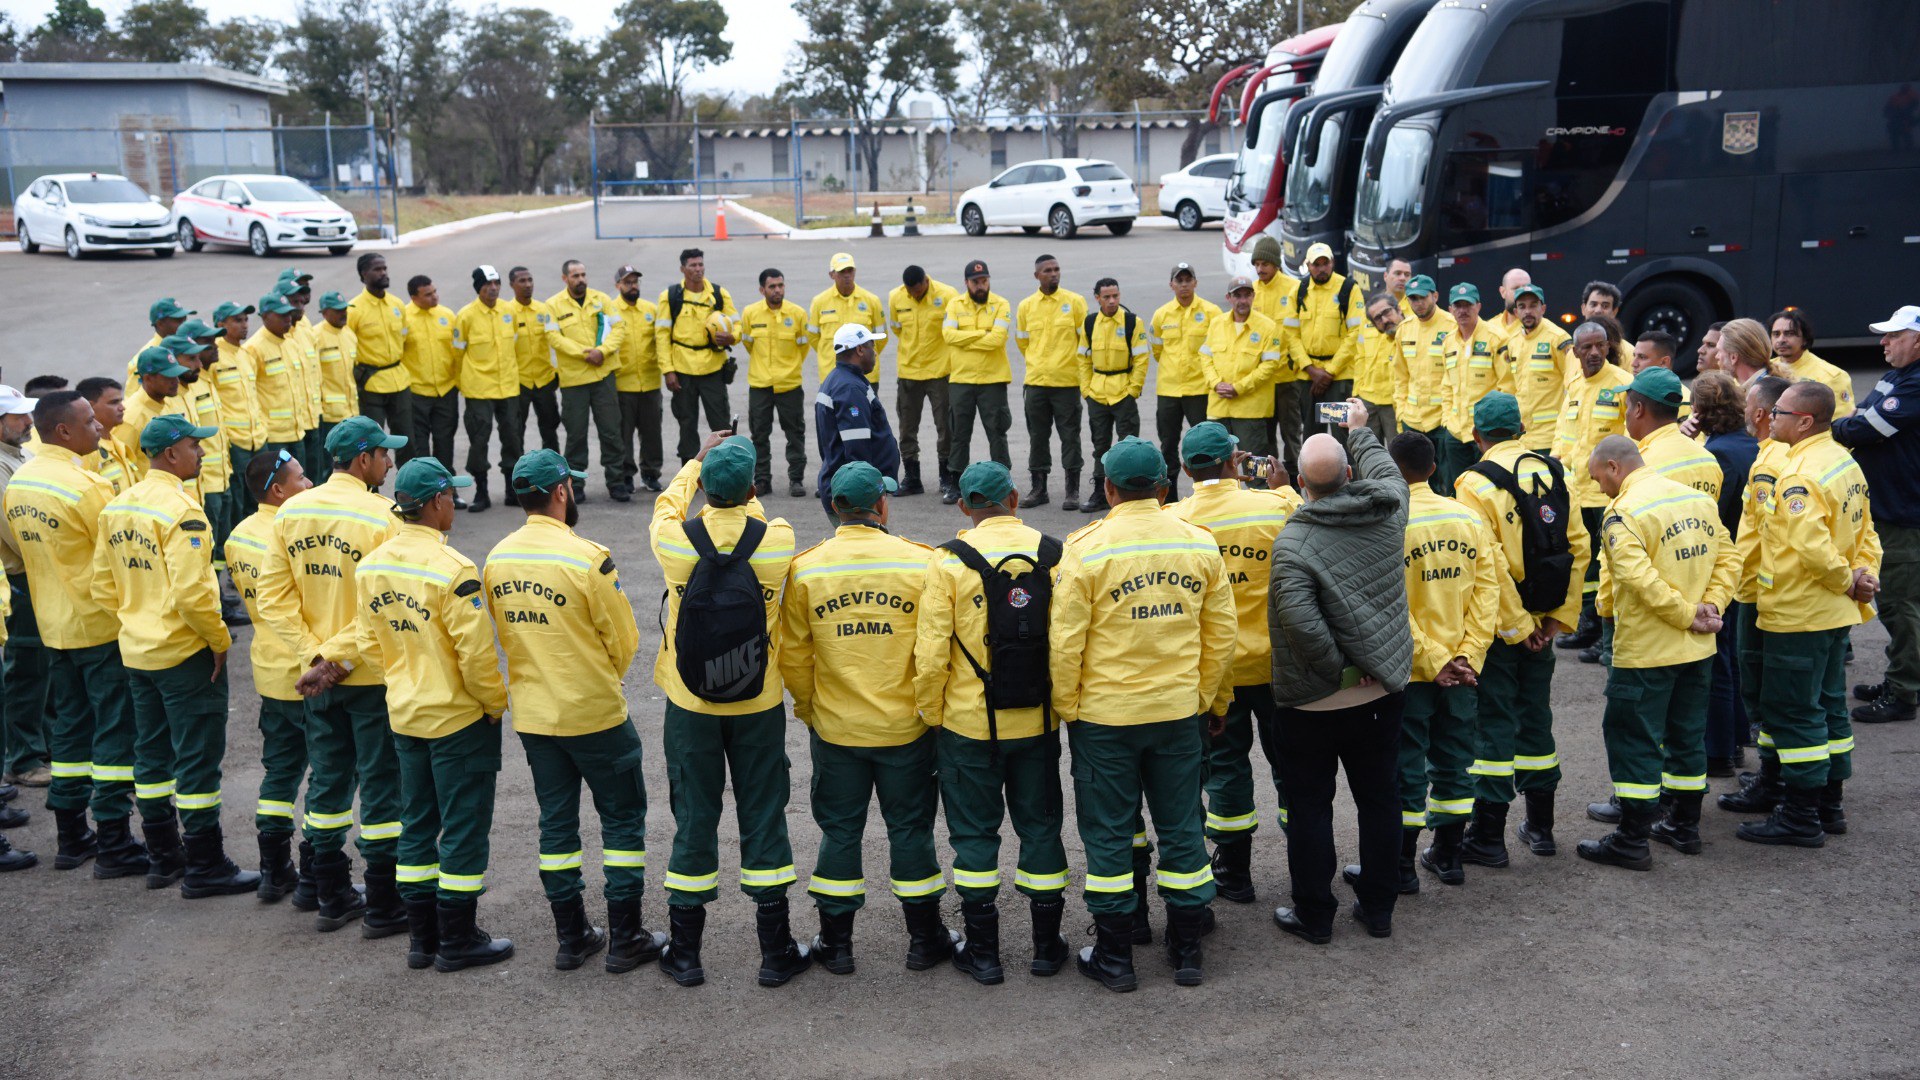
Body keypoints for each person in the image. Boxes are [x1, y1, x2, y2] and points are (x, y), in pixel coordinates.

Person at [1053, 436, 1234, 990]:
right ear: (1162, 486)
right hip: (1178, 711)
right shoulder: (1199, 544)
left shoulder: (1085, 548)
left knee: (1109, 833)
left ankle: (1115, 955)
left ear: (1107, 489)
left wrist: (1068, 710)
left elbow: (1064, 645)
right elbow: (1221, 636)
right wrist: (1208, 700)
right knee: (1182, 826)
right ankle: (1186, 949)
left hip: (1105, 718)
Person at [485, 449, 665, 973]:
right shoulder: (587, 557)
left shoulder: (497, 558)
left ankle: (571, 936)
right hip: (595, 712)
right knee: (624, 821)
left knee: (557, 826)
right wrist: (597, 674)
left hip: (536, 716)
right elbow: (624, 639)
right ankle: (626, 936)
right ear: (561, 492)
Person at [781, 461, 955, 975]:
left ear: (835, 508)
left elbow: (794, 657)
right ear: (882, 505)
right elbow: (932, 653)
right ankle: (925, 940)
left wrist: (813, 709)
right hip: (906, 728)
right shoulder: (923, 563)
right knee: (911, 829)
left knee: (839, 831)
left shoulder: (806, 568)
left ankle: (836, 945)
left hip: (837, 728)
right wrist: (929, 711)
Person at [649, 432, 808, 989]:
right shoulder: (777, 540)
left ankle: (686, 953)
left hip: (689, 702)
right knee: (764, 814)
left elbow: (667, 505)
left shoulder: (673, 540)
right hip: (756, 700)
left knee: (694, 815)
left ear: (704, 491)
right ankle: (774, 951)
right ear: (752, 489)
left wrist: (695, 462)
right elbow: (754, 518)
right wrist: (742, 485)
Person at [914, 461, 1072, 982]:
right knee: (1042, 830)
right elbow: (1069, 641)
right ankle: (1047, 950)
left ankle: (983, 955)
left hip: (968, 727)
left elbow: (933, 651)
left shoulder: (949, 562)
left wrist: (934, 715)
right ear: (1016, 498)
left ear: (964, 507)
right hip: (1037, 723)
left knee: (975, 839)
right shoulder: (1053, 553)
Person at [354, 458, 512, 971]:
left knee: (416, 823)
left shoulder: (372, 565)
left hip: (405, 714)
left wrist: (402, 681)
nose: (455, 508)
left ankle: (422, 939)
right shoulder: (453, 570)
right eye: (452, 498)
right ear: (439, 502)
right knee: (464, 827)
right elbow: (476, 656)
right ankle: (459, 938)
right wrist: (493, 705)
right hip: (456, 720)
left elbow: (371, 645)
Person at [255, 417, 409, 937]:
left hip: (316, 679)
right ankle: (385, 904)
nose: (391, 464)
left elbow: (273, 598)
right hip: (370, 676)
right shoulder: (384, 516)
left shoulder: (291, 512)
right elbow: (384, 606)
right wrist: (338, 660)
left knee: (326, 782)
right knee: (383, 786)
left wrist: (315, 658)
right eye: (385, 455)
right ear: (363, 460)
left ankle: (331, 896)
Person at [92, 413, 257, 897]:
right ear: (170, 455)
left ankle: (164, 858)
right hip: (183, 654)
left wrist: (138, 615)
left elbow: (102, 584)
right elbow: (192, 594)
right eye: (193, 446)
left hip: (138, 650)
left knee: (151, 754)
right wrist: (219, 639)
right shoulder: (182, 511)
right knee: (198, 760)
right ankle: (206, 865)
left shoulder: (118, 506)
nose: (202, 453)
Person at [1268, 404, 1413, 942]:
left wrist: (1339, 674)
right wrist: (1359, 433)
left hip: (1315, 702)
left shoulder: (1293, 544)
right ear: (1350, 475)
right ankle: (1379, 908)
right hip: (1381, 692)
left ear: (1300, 483)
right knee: (1380, 798)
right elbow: (1391, 475)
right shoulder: (1388, 511)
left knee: (1310, 808)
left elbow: (1304, 628)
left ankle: (1315, 914)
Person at [1576, 435, 1737, 869]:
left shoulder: (1622, 512)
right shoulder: (1695, 501)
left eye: (1598, 479)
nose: (1600, 489)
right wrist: (1712, 606)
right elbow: (1729, 558)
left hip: (1646, 650)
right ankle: (1685, 828)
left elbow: (1637, 580)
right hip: (1698, 647)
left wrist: (1687, 614)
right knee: (1686, 737)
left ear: (1613, 467)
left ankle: (1631, 840)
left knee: (1634, 741)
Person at [5, 391, 146, 877]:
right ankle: (114, 839)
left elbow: (15, 557)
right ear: (63, 431)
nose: (100, 428)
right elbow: (120, 557)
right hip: (101, 626)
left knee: (68, 728)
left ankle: (71, 835)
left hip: (54, 625)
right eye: (89, 421)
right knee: (113, 730)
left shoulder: (18, 482)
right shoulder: (86, 487)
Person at [1739, 382, 1880, 847]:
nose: (1769, 417)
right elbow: (1865, 531)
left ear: (1803, 421)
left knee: (1795, 712)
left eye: (1778, 412)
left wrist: (1845, 578)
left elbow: (1812, 548)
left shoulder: (1799, 474)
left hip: (1799, 610)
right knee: (1827, 707)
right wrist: (1863, 576)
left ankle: (1800, 815)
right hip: (1835, 610)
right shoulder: (1844, 461)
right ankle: (1828, 804)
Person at [1450, 393, 1587, 866]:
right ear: (1523, 427)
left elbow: (1486, 562)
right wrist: (1554, 621)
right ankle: (1541, 828)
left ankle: (1488, 837)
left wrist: (1515, 626)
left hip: (1501, 629)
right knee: (1536, 717)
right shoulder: (1554, 471)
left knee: (1492, 725)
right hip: (1544, 620)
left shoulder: (1473, 483)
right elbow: (1578, 547)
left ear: (1476, 436)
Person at [1166, 423, 1301, 903]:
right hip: (1277, 666)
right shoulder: (1275, 506)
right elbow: (1308, 522)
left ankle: (1234, 872)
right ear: (1234, 463)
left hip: (1215, 671)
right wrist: (1280, 483)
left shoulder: (1175, 519)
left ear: (1184, 469)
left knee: (1225, 769)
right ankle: (1305, 865)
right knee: (1293, 766)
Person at [1374, 431, 1499, 890]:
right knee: (1454, 760)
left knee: (1406, 765)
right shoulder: (1467, 519)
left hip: (1411, 670)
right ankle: (1449, 856)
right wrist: (1468, 655)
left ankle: (1402, 867)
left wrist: (1434, 659)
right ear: (1433, 469)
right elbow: (1488, 594)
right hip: (1463, 672)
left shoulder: (1389, 524)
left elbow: (1390, 605)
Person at [224, 448, 317, 903]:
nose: (310, 483)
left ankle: (273, 871)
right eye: (301, 479)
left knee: (280, 772)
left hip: (269, 670)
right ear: (278, 490)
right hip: (307, 671)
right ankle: (318, 874)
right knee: (328, 774)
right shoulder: (295, 534)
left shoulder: (238, 536)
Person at [1836, 306, 1920, 725]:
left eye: (1893, 336)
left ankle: (1904, 692)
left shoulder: (1916, 383)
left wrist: (1840, 427)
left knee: (1901, 605)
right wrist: (1852, 424)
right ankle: (1903, 678)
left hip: (1905, 512)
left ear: (1917, 341)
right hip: (1888, 506)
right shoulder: (1896, 377)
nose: (1883, 343)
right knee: (1897, 603)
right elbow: (1862, 416)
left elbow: (1865, 428)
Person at [1720, 376, 1795, 812]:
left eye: (1749, 403)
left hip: (1763, 594)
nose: (1744, 411)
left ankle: (1776, 784)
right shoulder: (1785, 456)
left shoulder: (1769, 464)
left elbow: (1760, 536)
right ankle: (1786, 780)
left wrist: (1736, 584)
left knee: (1768, 696)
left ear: (1762, 413)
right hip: (1776, 593)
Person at [1690, 373, 1758, 776]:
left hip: (1724, 565)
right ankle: (1734, 740)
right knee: (1731, 656)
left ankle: (1718, 750)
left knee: (1718, 660)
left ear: (1699, 412)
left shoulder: (1716, 455)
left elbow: (1712, 514)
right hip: (1747, 565)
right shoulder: (1750, 445)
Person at [1552, 323, 1632, 654]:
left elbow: (1631, 439)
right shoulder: (1574, 384)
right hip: (1577, 491)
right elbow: (1563, 432)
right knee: (1585, 563)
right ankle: (1588, 622)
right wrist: (1556, 461)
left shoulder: (1623, 385)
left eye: (1601, 346)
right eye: (1587, 347)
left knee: (1609, 564)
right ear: (1576, 351)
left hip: (1607, 491)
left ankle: (1607, 632)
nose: (1595, 353)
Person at [0, 385, 52, 792]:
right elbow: (21, 536)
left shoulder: (19, 455)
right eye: (17, 416)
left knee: (44, 666)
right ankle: (23, 758)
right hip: (21, 578)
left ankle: (41, 744)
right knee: (27, 670)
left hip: (42, 574)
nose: (28, 422)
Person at [546, 259, 625, 502]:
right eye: (575, 276)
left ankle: (617, 482)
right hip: (575, 381)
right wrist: (586, 353)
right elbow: (553, 337)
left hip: (603, 376)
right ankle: (575, 486)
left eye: (583, 274)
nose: (580, 279)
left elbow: (619, 329)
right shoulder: (553, 305)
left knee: (611, 432)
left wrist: (602, 351)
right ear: (565, 279)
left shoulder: (602, 300)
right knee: (576, 436)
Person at [1015, 254, 1086, 509]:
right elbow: (1023, 342)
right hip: (1036, 383)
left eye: (1056, 269)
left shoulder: (1075, 302)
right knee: (1038, 436)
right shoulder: (1026, 306)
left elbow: (1084, 342)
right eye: (1047, 270)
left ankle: (1072, 490)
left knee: (1070, 436)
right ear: (1037, 275)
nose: (1053, 273)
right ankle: (1039, 488)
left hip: (1066, 383)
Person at [655, 248, 737, 465]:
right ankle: (688, 470)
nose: (698, 269)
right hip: (682, 371)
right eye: (693, 265)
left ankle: (723, 467)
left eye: (700, 264)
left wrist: (732, 337)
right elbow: (662, 335)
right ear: (683, 269)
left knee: (721, 422)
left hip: (713, 370)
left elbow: (737, 325)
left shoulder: (719, 294)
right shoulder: (670, 296)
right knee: (686, 423)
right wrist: (668, 370)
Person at [1077, 278, 1151, 514]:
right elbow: (1082, 358)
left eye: (1115, 296)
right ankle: (1100, 491)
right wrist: (1086, 389)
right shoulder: (1089, 323)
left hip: (1123, 392)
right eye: (1107, 297)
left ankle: (1130, 493)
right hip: (1097, 393)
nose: (1112, 301)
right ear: (1097, 297)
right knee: (1100, 446)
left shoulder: (1132, 322)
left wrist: (1133, 389)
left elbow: (1141, 358)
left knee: (1128, 445)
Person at [450, 266, 521, 513]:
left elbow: (515, 343)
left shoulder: (509, 310)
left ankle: (512, 490)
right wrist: (464, 383)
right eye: (487, 284)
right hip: (479, 388)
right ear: (478, 288)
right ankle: (482, 491)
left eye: (496, 283)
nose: (493, 288)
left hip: (508, 386)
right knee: (479, 439)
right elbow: (457, 354)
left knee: (512, 437)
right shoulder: (466, 316)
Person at [815, 324, 900, 524]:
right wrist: (868, 496)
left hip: (850, 491)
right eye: (871, 346)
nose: (875, 353)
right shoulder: (850, 388)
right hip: (857, 497)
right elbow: (857, 451)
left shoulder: (841, 379)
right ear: (860, 350)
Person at [1150, 263, 1222, 498]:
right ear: (1172, 285)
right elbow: (1157, 350)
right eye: (1179, 281)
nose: (1184, 285)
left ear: (1195, 283)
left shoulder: (1212, 313)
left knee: (1203, 445)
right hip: (1169, 390)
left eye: (1187, 280)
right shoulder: (1161, 315)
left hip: (1199, 389)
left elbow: (1218, 349)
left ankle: (1207, 495)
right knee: (1168, 446)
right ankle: (1169, 500)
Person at [887, 265, 958, 501]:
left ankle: (946, 477)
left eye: (918, 291)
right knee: (907, 428)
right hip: (909, 372)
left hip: (940, 372)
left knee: (945, 427)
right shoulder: (896, 297)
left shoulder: (948, 295)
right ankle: (912, 477)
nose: (915, 295)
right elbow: (897, 328)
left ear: (926, 281)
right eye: (911, 292)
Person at [740, 267, 811, 499]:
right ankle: (762, 480)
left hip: (789, 384)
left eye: (780, 285)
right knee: (759, 434)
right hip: (760, 384)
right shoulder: (750, 314)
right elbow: (749, 344)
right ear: (762, 289)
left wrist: (788, 368)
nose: (777, 290)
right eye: (772, 286)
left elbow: (803, 347)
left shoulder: (798, 314)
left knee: (795, 433)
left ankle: (796, 479)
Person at [1289, 242, 1364, 460]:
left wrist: (1329, 372)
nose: (1322, 268)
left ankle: (1351, 485)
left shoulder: (1348, 289)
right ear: (1308, 266)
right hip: (1309, 378)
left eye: (1326, 263)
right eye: (1316, 264)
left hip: (1337, 380)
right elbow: (1290, 335)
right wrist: (1311, 369)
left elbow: (1354, 335)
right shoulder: (1299, 291)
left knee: (1343, 435)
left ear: (1332, 263)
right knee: (1312, 437)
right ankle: (1315, 485)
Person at [943, 260, 1015, 477]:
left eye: (984, 280)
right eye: (976, 282)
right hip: (961, 380)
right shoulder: (954, 304)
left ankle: (1002, 478)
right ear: (966, 282)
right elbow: (948, 335)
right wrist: (982, 333)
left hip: (992, 380)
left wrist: (964, 339)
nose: (981, 285)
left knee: (997, 432)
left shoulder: (1002, 304)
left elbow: (997, 339)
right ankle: (956, 480)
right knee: (959, 434)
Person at [1200, 276, 1283, 461]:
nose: (1242, 300)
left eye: (1247, 295)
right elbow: (1205, 357)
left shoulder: (1267, 327)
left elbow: (1270, 366)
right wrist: (1215, 384)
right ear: (1228, 298)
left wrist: (1238, 388)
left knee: (1256, 469)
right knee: (1215, 468)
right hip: (1218, 409)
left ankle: (1260, 491)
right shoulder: (1217, 324)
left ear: (1253, 296)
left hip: (1250, 412)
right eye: (1237, 295)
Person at [1440, 283, 1513, 489]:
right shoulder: (1448, 342)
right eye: (1458, 306)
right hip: (1455, 431)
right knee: (1458, 487)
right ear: (1450, 309)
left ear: (1478, 306)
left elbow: (1506, 385)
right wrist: (1447, 418)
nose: (1463, 310)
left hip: (1485, 430)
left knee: (1489, 487)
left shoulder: (1497, 338)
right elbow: (1446, 384)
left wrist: (1494, 423)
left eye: (1468, 305)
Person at [1391, 276, 1460, 488]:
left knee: (1444, 481)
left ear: (1435, 296)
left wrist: (1450, 416)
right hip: (1412, 419)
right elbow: (1400, 376)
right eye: (1412, 299)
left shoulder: (1452, 325)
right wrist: (1400, 412)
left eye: (1422, 297)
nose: (1417, 303)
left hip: (1441, 421)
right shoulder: (1404, 328)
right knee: (1413, 483)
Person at [1247, 236, 1305, 475]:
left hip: (1286, 378)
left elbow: (1300, 332)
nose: (1260, 269)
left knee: (1291, 433)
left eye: (1265, 264)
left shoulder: (1294, 288)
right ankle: (1267, 479)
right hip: (1261, 380)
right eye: (1257, 264)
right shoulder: (1250, 292)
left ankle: (1293, 481)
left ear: (1276, 264)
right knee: (1263, 434)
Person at [346, 254, 415, 443]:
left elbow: (404, 337)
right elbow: (347, 349)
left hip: (399, 382)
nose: (383, 273)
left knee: (406, 439)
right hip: (371, 384)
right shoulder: (353, 309)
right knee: (372, 441)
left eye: (384, 268)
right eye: (377, 270)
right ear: (364, 274)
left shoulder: (397, 304)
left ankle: (407, 473)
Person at [610, 264, 663, 502]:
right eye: (628, 282)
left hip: (650, 381)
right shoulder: (610, 311)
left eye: (635, 281)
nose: (633, 286)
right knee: (624, 434)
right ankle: (626, 475)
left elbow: (661, 341)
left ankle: (651, 473)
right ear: (618, 285)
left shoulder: (651, 310)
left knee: (652, 432)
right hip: (623, 383)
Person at [401, 276, 461, 487]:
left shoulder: (447, 315)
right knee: (420, 446)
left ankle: (448, 490)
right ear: (414, 297)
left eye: (434, 291)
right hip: (417, 392)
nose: (434, 296)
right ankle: (425, 491)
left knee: (445, 443)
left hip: (446, 390)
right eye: (428, 294)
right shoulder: (404, 318)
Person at [209, 302, 265, 520]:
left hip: (258, 438)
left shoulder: (246, 354)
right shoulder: (215, 358)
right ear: (220, 324)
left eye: (245, 319)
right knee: (240, 501)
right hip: (236, 442)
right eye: (237, 320)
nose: (244, 325)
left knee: (260, 496)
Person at [504, 267, 563, 461]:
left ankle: (554, 471)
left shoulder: (544, 309)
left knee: (550, 428)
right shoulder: (507, 312)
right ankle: (519, 473)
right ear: (512, 284)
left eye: (530, 280)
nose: (528, 285)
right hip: (520, 382)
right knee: (515, 431)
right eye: (522, 281)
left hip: (544, 379)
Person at [246, 293, 311, 462]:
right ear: (265, 317)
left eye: (289, 313)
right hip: (274, 437)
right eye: (282, 315)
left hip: (297, 432)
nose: (288, 318)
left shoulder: (291, 344)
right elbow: (249, 393)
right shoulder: (254, 348)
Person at [1506, 285, 1572, 452]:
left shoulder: (1558, 339)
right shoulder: (1512, 341)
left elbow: (1574, 384)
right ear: (1515, 312)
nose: (1528, 311)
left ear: (1543, 308)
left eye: (1533, 305)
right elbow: (1512, 387)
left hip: (1550, 438)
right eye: (1522, 306)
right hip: (1521, 438)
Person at [808, 252, 887, 386]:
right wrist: (828, 354)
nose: (847, 275)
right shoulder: (819, 302)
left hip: (865, 376)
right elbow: (813, 337)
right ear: (831, 274)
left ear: (855, 271)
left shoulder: (871, 301)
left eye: (850, 270)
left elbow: (881, 338)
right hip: (832, 375)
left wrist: (865, 357)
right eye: (841, 271)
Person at [1770, 308, 1854, 418]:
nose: (1781, 339)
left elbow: (1839, 424)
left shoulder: (1832, 376)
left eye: (1789, 334)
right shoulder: (1763, 368)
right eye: (1776, 334)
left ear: (1805, 339)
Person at [311, 292, 359, 451]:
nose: (343, 313)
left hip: (351, 412)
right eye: (338, 310)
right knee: (329, 463)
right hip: (329, 415)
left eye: (344, 309)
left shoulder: (350, 335)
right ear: (324, 313)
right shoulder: (315, 336)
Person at [1352, 293, 1401, 441]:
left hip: (1393, 403)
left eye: (1387, 312)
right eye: (1378, 318)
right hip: (1367, 399)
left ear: (1398, 309)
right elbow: (1360, 357)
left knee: (1397, 454)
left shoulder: (1409, 321)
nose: (1384, 320)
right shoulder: (1367, 319)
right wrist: (1357, 394)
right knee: (1368, 451)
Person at [1579, 281, 1631, 368]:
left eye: (1605, 306)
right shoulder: (1572, 352)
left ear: (1615, 312)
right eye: (1593, 304)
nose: (1598, 310)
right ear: (1583, 309)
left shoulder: (1627, 353)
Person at [1489, 269, 1532, 339]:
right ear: (1503, 292)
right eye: (1516, 289)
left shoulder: (1541, 328)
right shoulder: (1490, 328)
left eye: (1525, 288)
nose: (1521, 293)